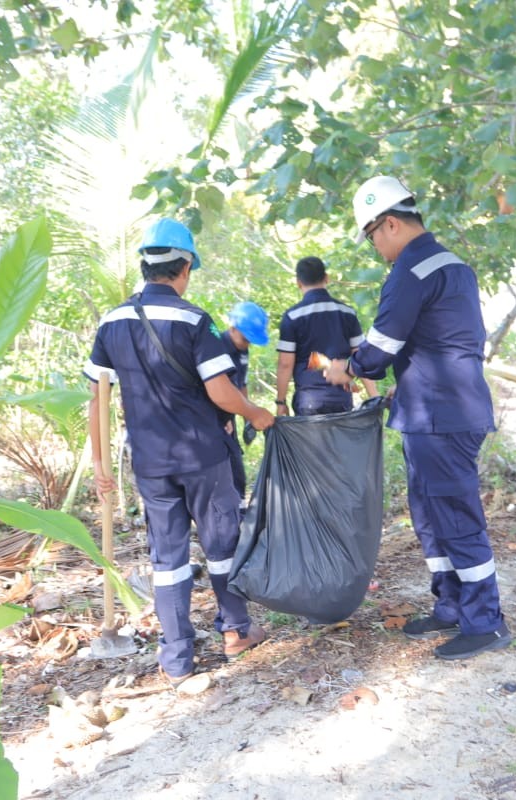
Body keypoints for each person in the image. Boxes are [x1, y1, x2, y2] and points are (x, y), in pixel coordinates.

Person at [323, 175, 511, 661]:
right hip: (437, 411)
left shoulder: (412, 270)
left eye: (371, 235)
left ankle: (485, 621)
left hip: (440, 416)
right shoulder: (452, 266)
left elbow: (382, 347)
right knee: (430, 515)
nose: (374, 246)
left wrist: (349, 368)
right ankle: (450, 604)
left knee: (455, 516)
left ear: (389, 223)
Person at [85, 218, 274, 693]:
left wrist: (100, 466)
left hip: (151, 462)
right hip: (203, 455)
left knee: (166, 559)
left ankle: (176, 660)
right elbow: (220, 392)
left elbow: (97, 398)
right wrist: (255, 414)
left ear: (146, 264)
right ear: (183, 266)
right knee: (222, 546)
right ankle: (235, 630)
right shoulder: (196, 321)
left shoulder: (111, 322)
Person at [275, 256, 377, 416]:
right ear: (326, 278)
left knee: (310, 442)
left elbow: (285, 364)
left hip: (308, 402)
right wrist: (374, 397)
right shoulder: (347, 313)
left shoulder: (292, 317)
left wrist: (281, 402)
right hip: (341, 400)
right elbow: (362, 357)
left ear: (298, 283)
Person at [219, 301, 270, 503]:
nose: (247, 343)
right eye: (245, 339)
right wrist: (220, 417)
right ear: (232, 328)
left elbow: (242, 385)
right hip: (214, 417)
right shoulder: (216, 348)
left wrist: (248, 415)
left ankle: (239, 516)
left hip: (230, 414)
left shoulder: (242, 351)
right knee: (224, 471)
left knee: (236, 470)